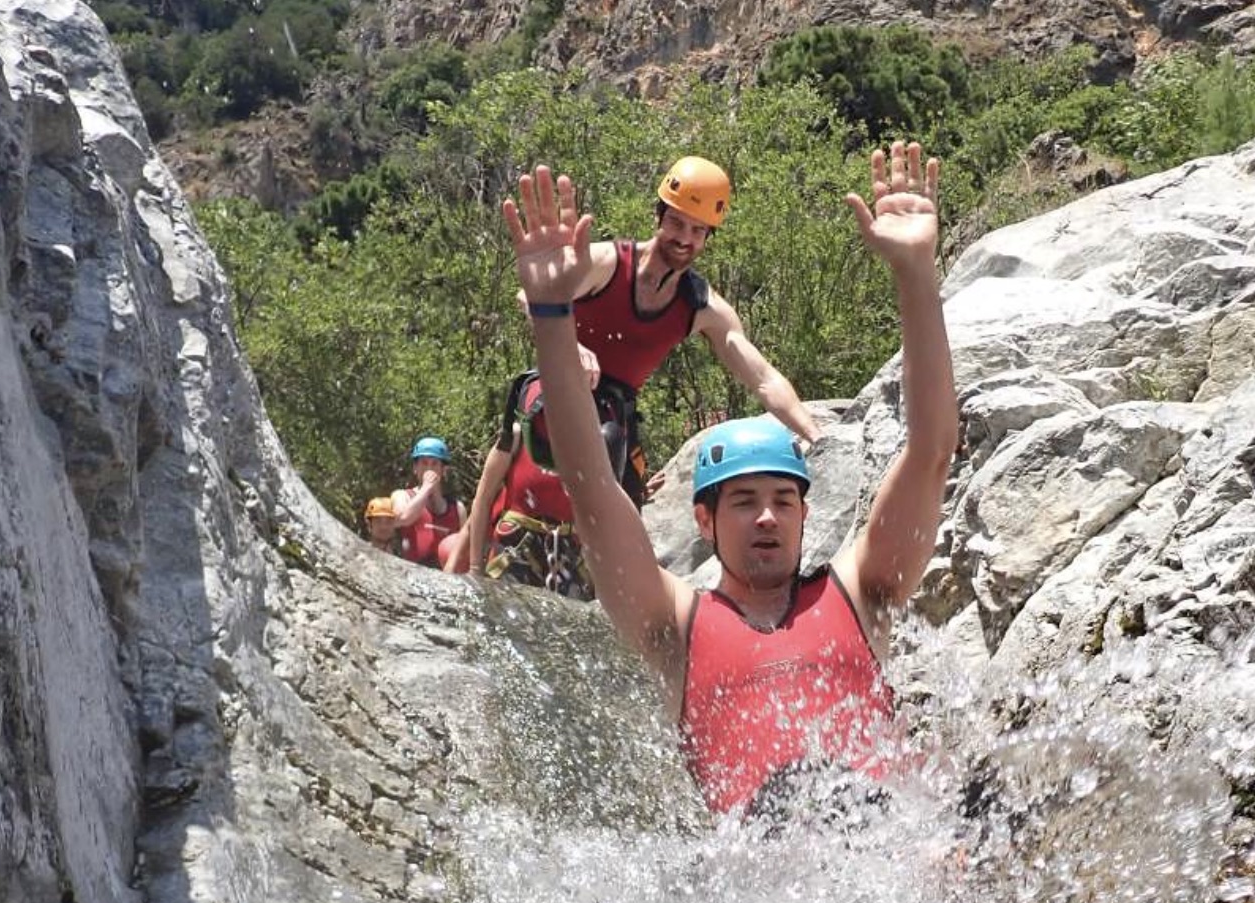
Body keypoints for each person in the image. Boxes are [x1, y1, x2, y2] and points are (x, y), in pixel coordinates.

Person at [501, 141, 956, 818]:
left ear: (806, 514)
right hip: (769, 854)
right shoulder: (672, 625)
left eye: (781, 500)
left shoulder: (865, 591)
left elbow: (931, 453)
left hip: (888, 850)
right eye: (744, 503)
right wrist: (552, 318)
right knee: (792, 802)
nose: (767, 517)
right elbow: (592, 489)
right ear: (704, 522)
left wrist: (917, 275)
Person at [458, 156, 825, 596]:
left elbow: (762, 377)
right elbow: (529, 293)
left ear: (708, 237)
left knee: (613, 444)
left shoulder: (701, 307)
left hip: (614, 422)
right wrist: (569, 344)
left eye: (697, 230)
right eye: (676, 223)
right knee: (535, 425)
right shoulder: (610, 263)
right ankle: (479, 557)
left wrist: (813, 433)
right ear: (658, 217)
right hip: (558, 390)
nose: (684, 238)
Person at [392, 436, 463, 569]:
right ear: (415, 468)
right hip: (412, 574)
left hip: (447, 578)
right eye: (424, 463)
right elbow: (402, 518)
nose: (429, 468)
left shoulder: (457, 508)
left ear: (443, 470)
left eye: (434, 463)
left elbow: (464, 545)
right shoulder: (402, 496)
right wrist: (426, 488)